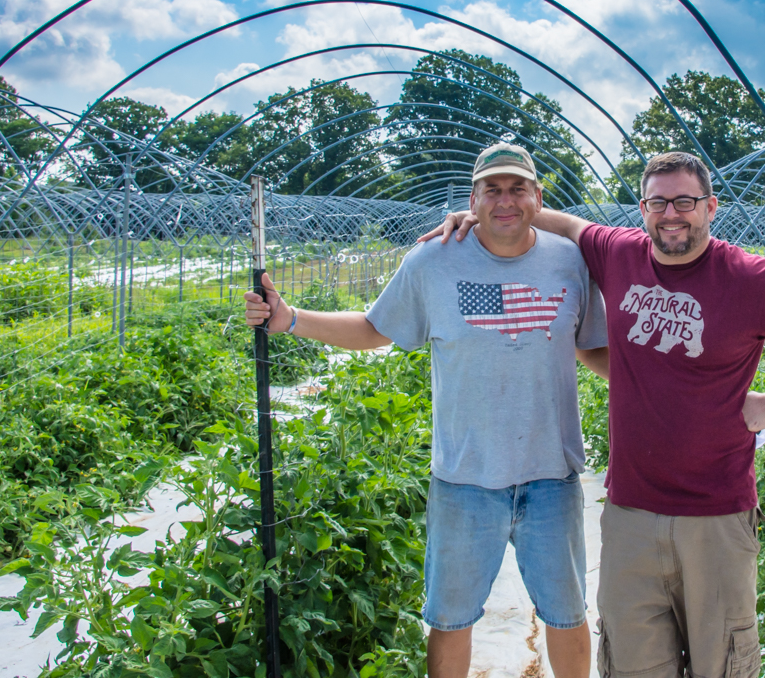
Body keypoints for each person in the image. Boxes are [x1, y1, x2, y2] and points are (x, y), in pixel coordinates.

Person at [423, 150, 765, 678]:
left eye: (685, 201)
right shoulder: (618, 253)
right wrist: (482, 212)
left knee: (719, 662)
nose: (671, 214)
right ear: (643, 208)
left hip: (716, 515)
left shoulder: (750, 277)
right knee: (631, 662)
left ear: (711, 207)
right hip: (631, 511)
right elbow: (558, 219)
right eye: (659, 202)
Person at [246, 142, 609, 678]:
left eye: (517, 188)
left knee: (567, 614)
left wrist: (675, 384)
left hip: (550, 477)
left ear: (538, 196)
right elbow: (375, 328)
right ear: (472, 197)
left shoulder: (569, 261)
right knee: (451, 620)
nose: (504, 200)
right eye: (492, 189)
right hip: (463, 478)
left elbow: (591, 345)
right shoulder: (434, 260)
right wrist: (290, 318)